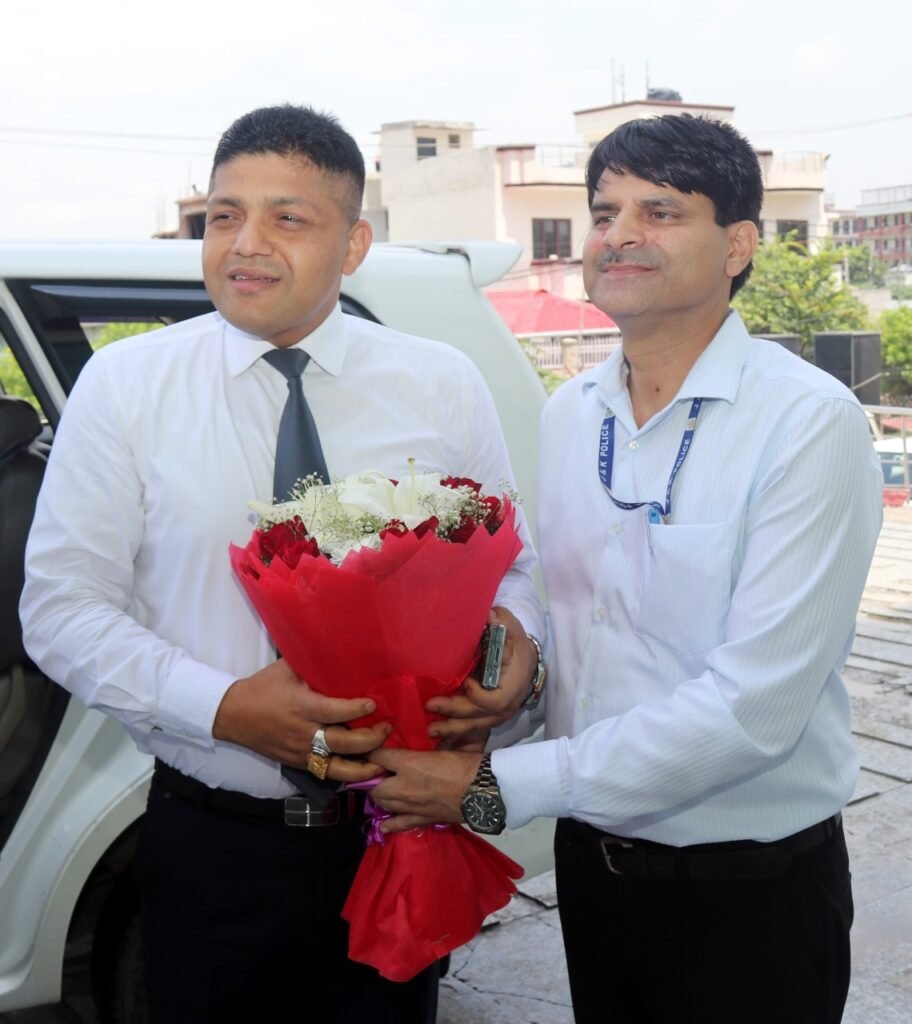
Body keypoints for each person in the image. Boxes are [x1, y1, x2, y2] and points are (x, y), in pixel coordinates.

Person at [19, 104, 542, 1024]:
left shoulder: (439, 382)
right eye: (224, 215)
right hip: (210, 848)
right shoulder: (127, 387)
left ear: (354, 245)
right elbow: (61, 610)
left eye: (287, 218)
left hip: (398, 831)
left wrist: (515, 659)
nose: (246, 243)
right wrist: (225, 708)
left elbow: (509, 572)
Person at [369, 113, 884, 1024]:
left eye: (661, 211)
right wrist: (511, 692)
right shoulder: (573, 413)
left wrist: (495, 788)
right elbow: (582, 626)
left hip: (748, 891)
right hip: (595, 871)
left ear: (738, 245)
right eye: (604, 213)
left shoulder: (807, 421)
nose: (619, 235)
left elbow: (754, 709)